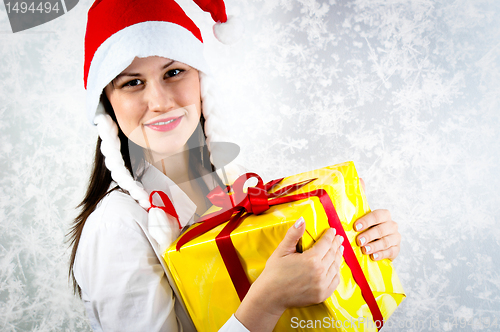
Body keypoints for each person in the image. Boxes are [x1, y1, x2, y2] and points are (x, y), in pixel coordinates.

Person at [67, 0, 402, 331]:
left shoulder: (231, 187)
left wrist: (357, 244)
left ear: (201, 81)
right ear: (106, 105)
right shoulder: (115, 228)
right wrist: (267, 301)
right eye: (132, 82)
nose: (160, 102)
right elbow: (269, 298)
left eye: (173, 72)